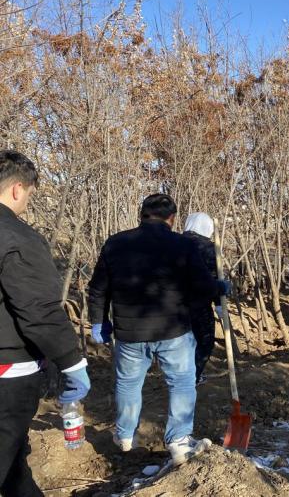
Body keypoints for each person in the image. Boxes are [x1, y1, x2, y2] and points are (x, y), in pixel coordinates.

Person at [88, 194, 228, 465]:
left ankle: (125, 436)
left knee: (128, 383)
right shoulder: (182, 245)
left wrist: (98, 319)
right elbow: (202, 285)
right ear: (172, 218)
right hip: (173, 330)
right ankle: (178, 441)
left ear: (141, 214)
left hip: (129, 331)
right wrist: (218, 288)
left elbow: (98, 287)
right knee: (182, 382)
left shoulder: (116, 243)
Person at [0, 150, 91, 497]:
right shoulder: (16, 237)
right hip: (7, 372)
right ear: (17, 190)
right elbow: (37, 309)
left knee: (13, 466)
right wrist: (71, 360)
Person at [182, 212, 221, 386]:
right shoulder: (208, 247)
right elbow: (214, 278)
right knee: (205, 341)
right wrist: (219, 302)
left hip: (173, 305)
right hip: (199, 304)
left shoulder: (174, 242)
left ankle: (182, 377)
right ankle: (193, 377)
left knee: (181, 344)